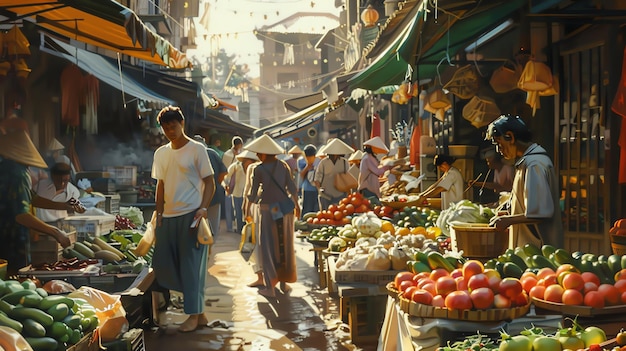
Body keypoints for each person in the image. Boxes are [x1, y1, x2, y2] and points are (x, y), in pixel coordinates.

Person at [151, 106, 215, 332]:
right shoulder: (161, 153)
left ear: (182, 123)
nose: (170, 131)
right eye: (166, 127)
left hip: (191, 215)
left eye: (173, 126)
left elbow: (210, 182)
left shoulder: (197, 149)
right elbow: (160, 185)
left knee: (191, 266)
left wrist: (203, 209)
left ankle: (193, 315)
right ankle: (199, 311)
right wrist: (158, 214)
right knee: (162, 263)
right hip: (168, 217)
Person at [486, 114, 563, 249]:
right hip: (527, 248)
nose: (499, 150)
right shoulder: (525, 162)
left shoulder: (535, 164)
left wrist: (508, 220)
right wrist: (507, 210)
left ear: (510, 137)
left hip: (540, 250)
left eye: (499, 143)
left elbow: (540, 213)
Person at [0, 130, 72, 275]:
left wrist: (64, 205)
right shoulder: (17, 174)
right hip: (10, 241)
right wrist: (55, 232)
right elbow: (21, 215)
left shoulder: (7, 168)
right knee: (13, 279)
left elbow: (31, 198)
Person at [244, 134, 300, 298]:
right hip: (283, 209)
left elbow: (252, 195)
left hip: (268, 209)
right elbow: (292, 188)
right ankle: (284, 282)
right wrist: (297, 205)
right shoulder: (283, 166)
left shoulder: (258, 169)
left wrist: (247, 208)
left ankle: (270, 287)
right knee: (283, 243)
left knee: (268, 247)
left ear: (261, 153)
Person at [194, 135, 228, 237]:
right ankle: (211, 243)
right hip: (214, 193)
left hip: (197, 195)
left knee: (197, 225)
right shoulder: (213, 153)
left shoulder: (192, 153)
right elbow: (223, 172)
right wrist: (216, 183)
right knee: (213, 225)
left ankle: (202, 247)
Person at [313, 139, 354, 210]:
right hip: (326, 195)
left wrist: (349, 193)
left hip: (341, 194)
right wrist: (319, 189)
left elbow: (347, 178)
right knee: (326, 216)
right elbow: (317, 179)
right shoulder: (323, 163)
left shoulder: (344, 162)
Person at [224, 149, 259, 233]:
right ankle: (240, 229)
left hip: (249, 194)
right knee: (238, 212)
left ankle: (247, 229)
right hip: (237, 193)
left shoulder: (255, 168)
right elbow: (227, 176)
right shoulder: (235, 166)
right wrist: (227, 185)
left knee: (248, 212)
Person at [222, 136, 243, 233]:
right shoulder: (237, 155)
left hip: (230, 182)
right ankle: (232, 226)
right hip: (231, 182)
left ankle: (231, 226)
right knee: (233, 207)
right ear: (239, 144)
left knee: (231, 207)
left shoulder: (227, 154)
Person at [297, 144, 320, 216]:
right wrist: (307, 167)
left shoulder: (319, 161)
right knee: (307, 211)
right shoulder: (301, 161)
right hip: (307, 189)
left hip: (317, 189)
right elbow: (301, 175)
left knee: (316, 211)